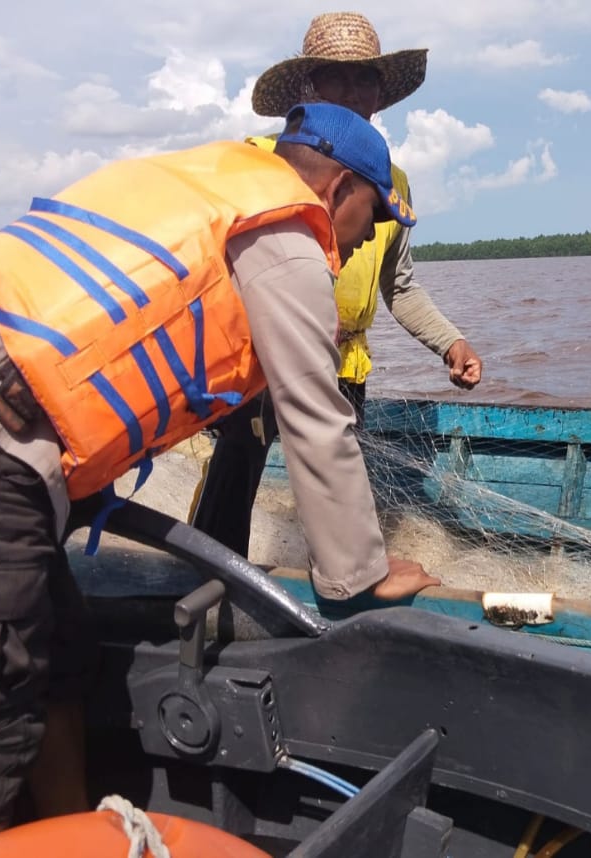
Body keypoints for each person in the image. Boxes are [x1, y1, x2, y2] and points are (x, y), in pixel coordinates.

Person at [0, 102, 440, 858]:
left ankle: (84, 839)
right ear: (341, 190)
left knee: (60, 661)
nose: (363, 240)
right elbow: (315, 414)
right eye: (373, 218)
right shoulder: (287, 233)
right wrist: (359, 579)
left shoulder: (202, 185)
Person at [189, 12, 483, 557]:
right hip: (257, 352)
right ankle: (207, 585)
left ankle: (337, 583)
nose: (352, 92)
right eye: (335, 77)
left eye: (365, 78)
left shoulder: (390, 182)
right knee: (236, 472)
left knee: (333, 480)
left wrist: (451, 341)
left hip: (342, 359)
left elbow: (399, 285)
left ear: (381, 92)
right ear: (308, 86)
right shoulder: (261, 157)